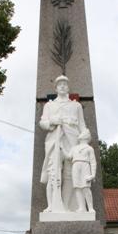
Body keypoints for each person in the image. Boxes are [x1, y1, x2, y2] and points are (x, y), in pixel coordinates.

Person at [39, 75, 88, 212]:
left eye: (65, 84)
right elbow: (43, 122)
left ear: (68, 87)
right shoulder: (49, 105)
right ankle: (51, 206)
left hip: (73, 141)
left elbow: (82, 125)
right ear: (55, 88)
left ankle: (66, 206)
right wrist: (53, 121)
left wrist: (86, 136)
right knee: (53, 172)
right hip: (54, 141)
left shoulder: (76, 105)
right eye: (59, 84)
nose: (62, 86)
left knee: (70, 174)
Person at [61, 129, 96, 212]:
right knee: (77, 187)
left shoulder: (89, 148)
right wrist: (62, 148)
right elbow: (69, 157)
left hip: (85, 165)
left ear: (87, 136)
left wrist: (93, 175)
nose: (80, 134)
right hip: (75, 165)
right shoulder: (74, 148)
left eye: (83, 133)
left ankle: (90, 208)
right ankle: (82, 207)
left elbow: (93, 162)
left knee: (85, 187)